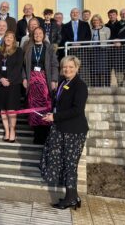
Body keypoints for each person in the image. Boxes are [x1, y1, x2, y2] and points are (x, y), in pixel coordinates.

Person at [40, 56, 88, 210]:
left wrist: (55, 116)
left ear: (77, 68)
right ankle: (72, 197)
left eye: (71, 67)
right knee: (63, 163)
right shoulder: (63, 82)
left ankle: (70, 199)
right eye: (65, 67)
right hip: (61, 128)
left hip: (73, 131)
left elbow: (77, 110)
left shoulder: (80, 86)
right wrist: (51, 113)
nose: (67, 69)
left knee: (70, 164)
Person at [22, 27, 59, 144]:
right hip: (32, 80)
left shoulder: (49, 48)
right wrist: (24, 78)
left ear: (44, 35)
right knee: (33, 107)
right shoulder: (28, 48)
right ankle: (37, 135)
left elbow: (54, 65)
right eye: (36, 33)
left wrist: (53, 79)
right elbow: (23, 66)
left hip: (44, 80)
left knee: (46, 105)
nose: (38, 35)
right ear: (33, 35)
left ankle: (46, 134)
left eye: (40, 33)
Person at [0, 31, 23, 142]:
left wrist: (9, 80)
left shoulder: (18, 51)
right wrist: (1, 79)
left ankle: (12, 131)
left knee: (11, 109)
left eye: (11, 37)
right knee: (3, 109)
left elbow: (18, 67)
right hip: (1, 84)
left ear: (14, 39)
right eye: (7, 37)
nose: (8, 39)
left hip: (13, 84)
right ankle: (6, 131)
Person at [89, 14, 111, 87]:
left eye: (97, 20)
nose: (96, 22)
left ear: (100, 21)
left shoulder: (106, 29)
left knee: (103, 70)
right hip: (93, 51)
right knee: (94, 70)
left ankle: (104, 86)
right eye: (94, 20)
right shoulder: (90, 29)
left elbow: (107, 38)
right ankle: (95, 86)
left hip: (103, 51)